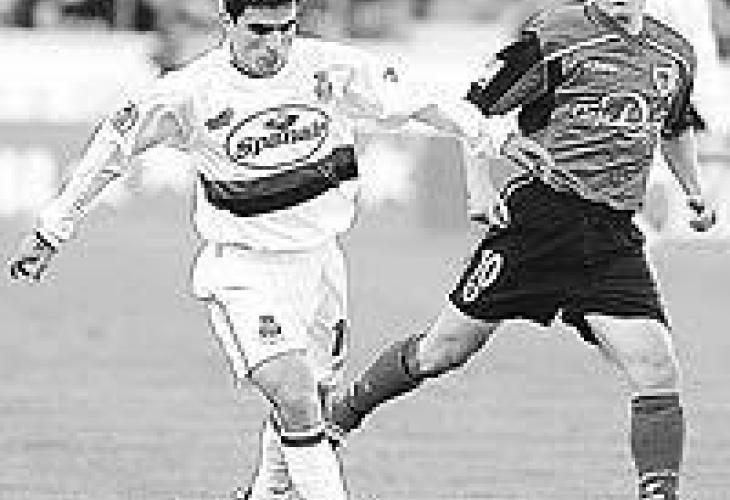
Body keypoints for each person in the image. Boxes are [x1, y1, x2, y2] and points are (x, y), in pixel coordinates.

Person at [7, 1, 497, 498]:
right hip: (245, 268)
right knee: (297, 395)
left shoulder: (331, 68)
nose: (275, 45)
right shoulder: (190, 92)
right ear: (228, 23)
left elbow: (419, 99)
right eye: (259, 31)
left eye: (286, 29)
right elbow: (111, 149)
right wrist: (51, 230)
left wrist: (488, 133)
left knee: (309, 402)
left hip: (322, 262)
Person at [326, 1, 718, 499]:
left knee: (657, 367)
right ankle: (341, 415)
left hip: (611, 237)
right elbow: (474, 108)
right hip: (538, 223)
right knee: (443, 351)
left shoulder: (674, 53)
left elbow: (676, 126)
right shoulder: (554, 35)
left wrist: (694, 191)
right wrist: (479, 187)